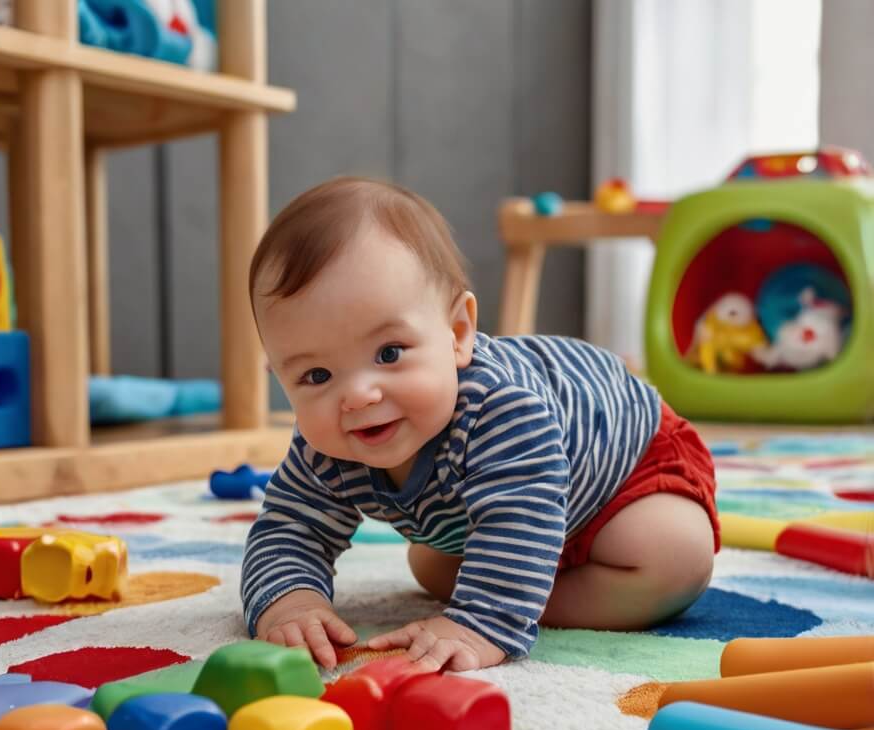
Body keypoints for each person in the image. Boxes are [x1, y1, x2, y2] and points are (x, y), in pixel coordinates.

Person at [241, 176, 719, 673]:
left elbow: (523, 504)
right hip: (514, 515)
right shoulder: (324, 448)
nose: (359, 395)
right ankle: (521, 574)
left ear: (457, 334)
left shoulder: (499, 409)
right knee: (432, 569)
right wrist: (289, 601)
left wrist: (481, 619)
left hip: (624, 467)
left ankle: (518, 590)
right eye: (316, 375)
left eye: (389, 353)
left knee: (675, 558)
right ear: (281, 377)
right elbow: (289, 527)